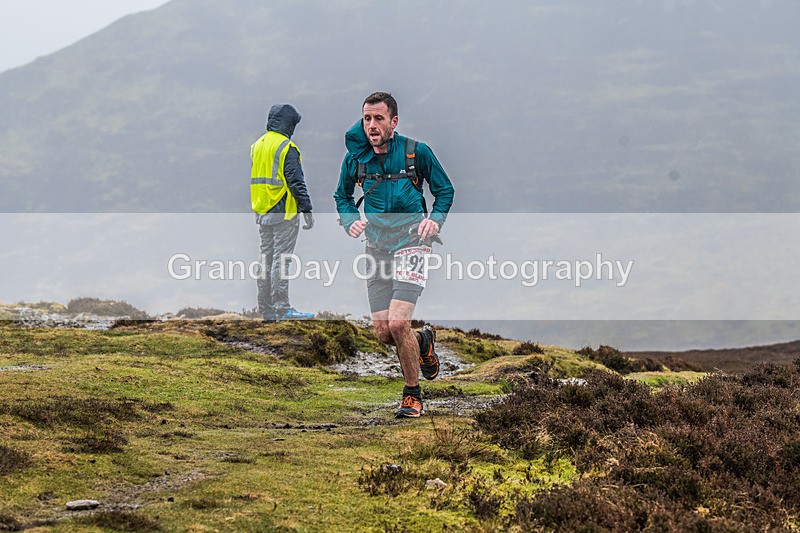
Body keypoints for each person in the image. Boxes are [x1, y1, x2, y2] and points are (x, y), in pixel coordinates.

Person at [334, 92, 455, 418]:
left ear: (394, 122)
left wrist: (435, 219)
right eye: (367, 119)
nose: (372, 125)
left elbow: (445, 190)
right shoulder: (355, 159)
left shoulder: (417, 152)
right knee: (385, 332)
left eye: (378, 118)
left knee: (399, 321)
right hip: (376, 247)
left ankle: (412, 396)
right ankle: (423, 341)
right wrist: (350, 222)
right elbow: (341, 196)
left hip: (412, 243)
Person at [251, 103, 314, 321]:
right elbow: (296, 182)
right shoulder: (287, 148)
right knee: (281, 259)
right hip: (284, 212)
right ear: (288, 123)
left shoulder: (257, 145)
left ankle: (267, 310)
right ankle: (282, 308)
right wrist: (306, 208)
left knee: (265, 258)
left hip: (262, 211)